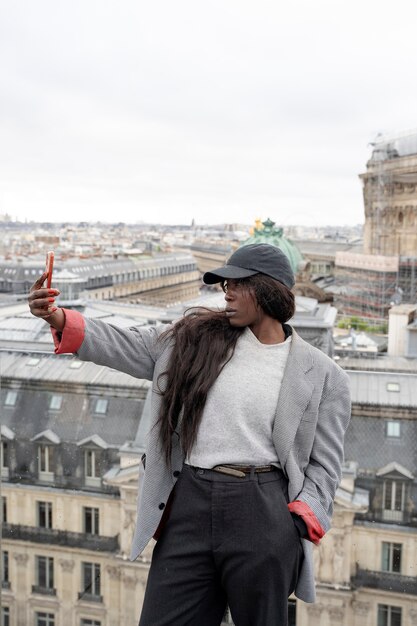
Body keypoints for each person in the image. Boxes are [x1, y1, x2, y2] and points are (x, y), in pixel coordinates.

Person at [28, 243, 351, 626]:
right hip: (189, 502)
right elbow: (124, 343)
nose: (226, 292)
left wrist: (295, 523)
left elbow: (325, 467)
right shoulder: (193, 340)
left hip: (262, 509)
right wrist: (58, 317)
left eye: (237, 284)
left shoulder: (324, 375)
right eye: (224, 284)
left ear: (268, 291)